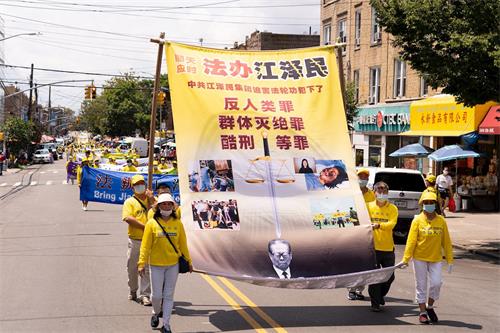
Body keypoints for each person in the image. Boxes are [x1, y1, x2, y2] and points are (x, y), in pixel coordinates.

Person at [138, 193, 193, 333]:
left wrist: (189, 261)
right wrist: (141, 262)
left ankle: (166, 324)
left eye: (169, 204)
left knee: (168, 295)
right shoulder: (151, 223)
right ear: (158, 207)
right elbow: (145, 245)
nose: (167, 206)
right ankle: (156, 313)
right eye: (163, 204)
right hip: (156, 265)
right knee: (156, 296)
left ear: (173, 207)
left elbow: (183, 244)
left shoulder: (178, 223)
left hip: (172, 265)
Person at [400, 191, 453, 324]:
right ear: (422, 204)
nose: (429, 205)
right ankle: (422, 311)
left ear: (435, 204)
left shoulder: (441, 221)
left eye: (431, 203)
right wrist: (406, 258)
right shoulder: (417, 220)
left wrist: (450, 259)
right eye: (426, 203)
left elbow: (446, 241)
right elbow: (411, 241)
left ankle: (430, 306)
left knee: (436, 283)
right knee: (421, 285)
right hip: (419, 258)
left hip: (435, 258)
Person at [122, 175, 152, 306]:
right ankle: (133, 290)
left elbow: (163, 210)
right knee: (132, 268)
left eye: (142, 183)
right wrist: (145, 227)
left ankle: (145, 295)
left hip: (150, 240)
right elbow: (128, 218)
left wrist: (152, 199)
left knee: (147, 268)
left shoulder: (151, 199)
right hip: (135, 240)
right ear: (133, 187)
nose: (140, 186)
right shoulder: (130, 202)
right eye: (137, 184)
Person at [367, 181, 398, 312]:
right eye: (379, 190)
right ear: (374, 192)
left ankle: (380, 295)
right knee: (374, 277)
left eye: (384, 190)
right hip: (372, 248)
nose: (382, 193)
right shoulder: (368, 207)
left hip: (387, 248)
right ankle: (375, 303)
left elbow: (392, 224)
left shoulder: (393, 209)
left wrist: (379, 225)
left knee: (389, 276)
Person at [347, 168, 375, 301]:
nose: (363, 179)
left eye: (365, 177)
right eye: (361, 177)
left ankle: (359, 289)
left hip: (368, 230)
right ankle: (351, 289)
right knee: (355, 262)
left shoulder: (371, 194)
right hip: (355, 230)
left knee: (366, 261)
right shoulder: (351, 192)